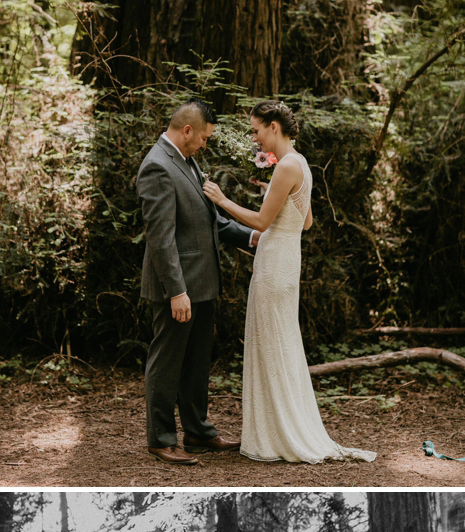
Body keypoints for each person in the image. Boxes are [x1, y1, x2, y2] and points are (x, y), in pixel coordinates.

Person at [201, 101, 375, 466]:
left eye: (256, 130)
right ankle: (281, 426)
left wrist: (222, 200)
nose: (253, 137)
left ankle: (277, 434)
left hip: (274, 262)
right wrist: (275, 200)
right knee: (280, 340)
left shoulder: (286, 166)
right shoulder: (301, 164)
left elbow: (262, 222)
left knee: (271, 341)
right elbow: (306, 221)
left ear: (274, 126)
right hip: (287, 259)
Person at [135, 103, 224, 456]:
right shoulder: (156, 166)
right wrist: (177, 291)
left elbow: (203, 219)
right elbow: (161, 237)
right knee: (167, 362)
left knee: (197, 361)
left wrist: (251, 236)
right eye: (203, 138)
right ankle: (161, 439)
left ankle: (198, 431)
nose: (204, 145)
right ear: (187, 130)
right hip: (178, 287)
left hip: (202, 282)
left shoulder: (186, 159)